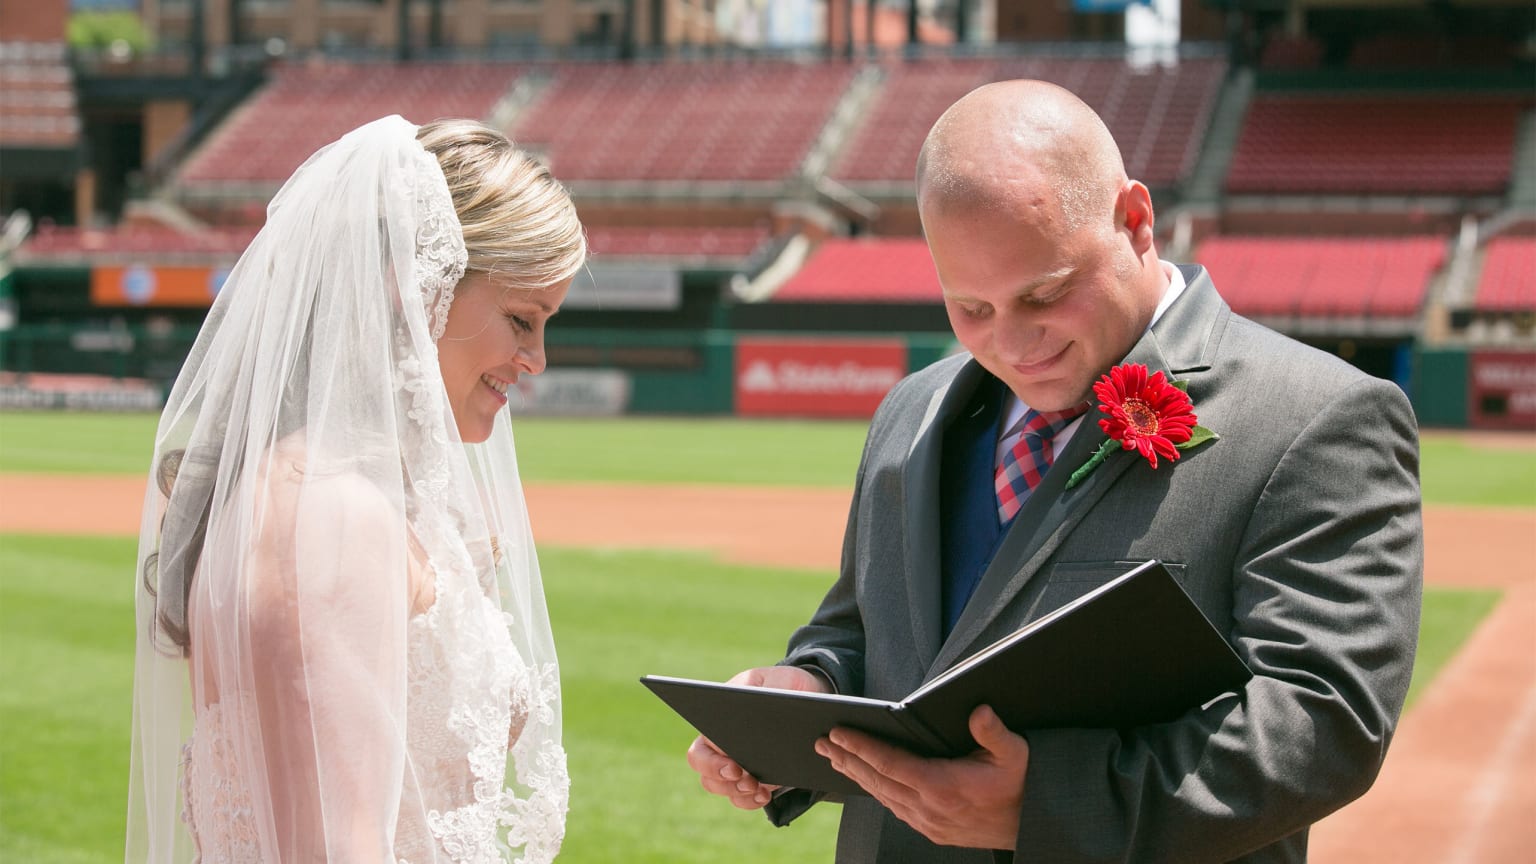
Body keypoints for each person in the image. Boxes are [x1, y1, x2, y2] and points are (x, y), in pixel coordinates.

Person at [686, 80, 1423, 862]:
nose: (1012, 342)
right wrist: (810, 691)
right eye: (970, 307)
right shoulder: (910, 410)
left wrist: (1045, 807)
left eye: (1046, 292)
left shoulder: (1318, 415)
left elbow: (1324, 721)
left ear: (1135, 221)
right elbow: (862, 632)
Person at [125, 115, 586, 862]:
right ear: (415, 291)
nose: (534, 358)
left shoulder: (327, 494)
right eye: (521, 320)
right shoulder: (331, 519)